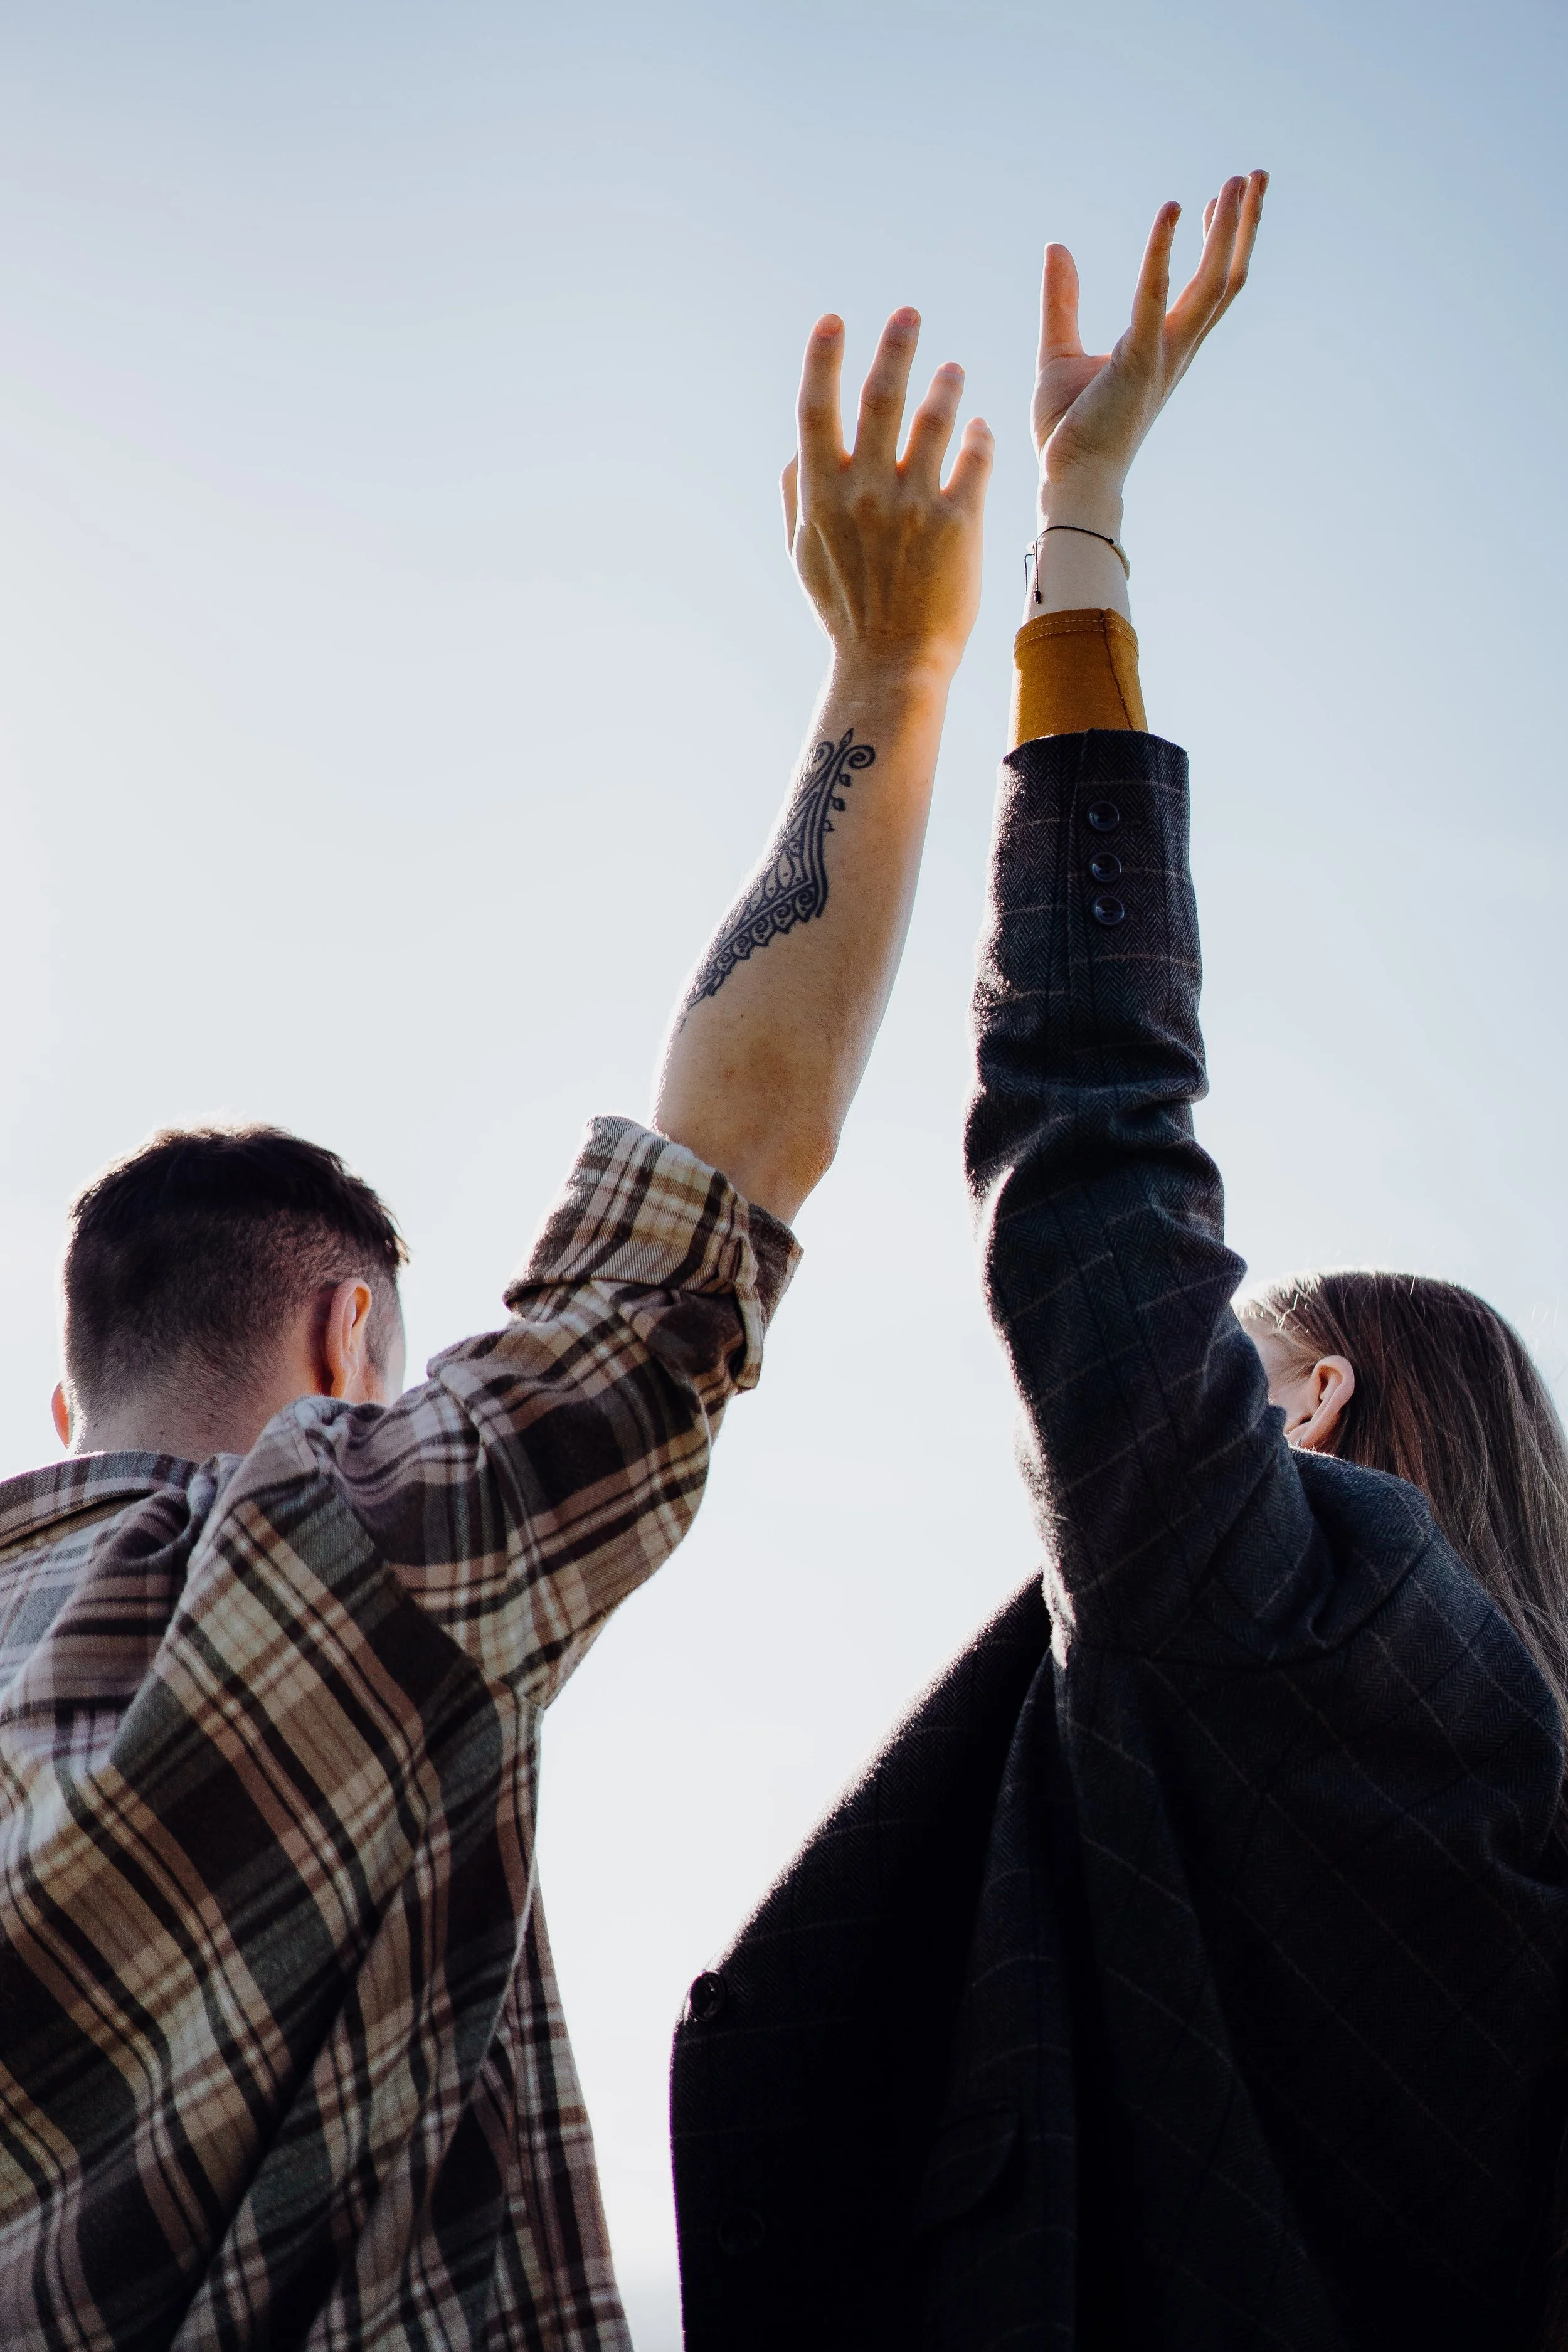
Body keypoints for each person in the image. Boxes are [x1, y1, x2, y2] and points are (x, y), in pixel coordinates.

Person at [0, 309, 992, 2350]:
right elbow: (723, 1170)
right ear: (353, 1336)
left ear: (62, 1399)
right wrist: (890, 665)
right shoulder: (337, 1557)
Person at [671, 174, 1568, 2351]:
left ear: (1324, 1410)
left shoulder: (1306, 1610)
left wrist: (1074, 532)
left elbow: (1094, 1155)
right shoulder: (1474, 1826)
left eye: (1247, 1361)